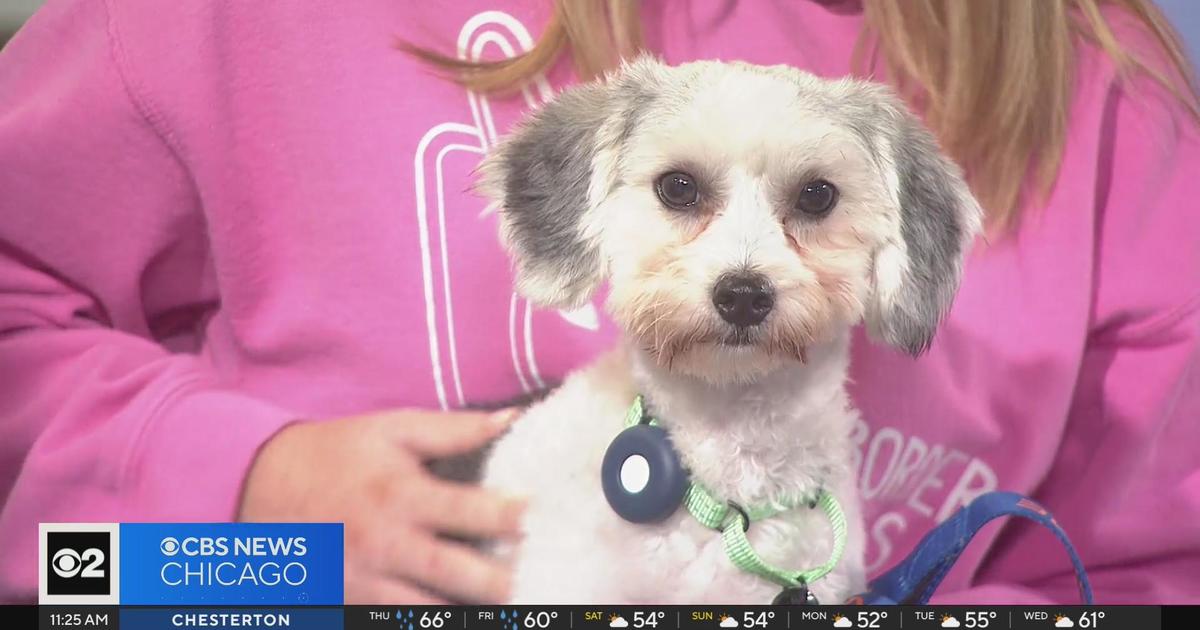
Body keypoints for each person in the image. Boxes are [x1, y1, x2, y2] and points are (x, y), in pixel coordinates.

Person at [1, 0, 1197, 605]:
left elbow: (1157, 562)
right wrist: (235, 530)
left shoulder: (1107, 88)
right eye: (678, 191)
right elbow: (77, 573)